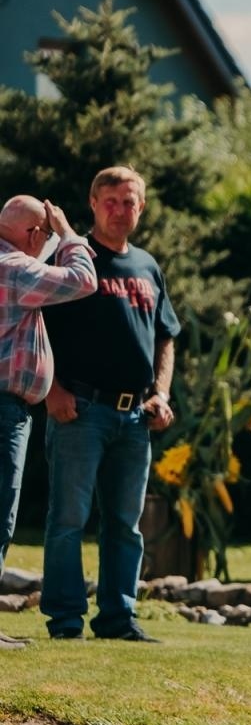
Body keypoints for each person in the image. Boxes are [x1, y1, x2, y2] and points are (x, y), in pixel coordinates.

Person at [41, 166, 181, 643]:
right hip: (80, 409)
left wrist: (161, 393)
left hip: (135, 417)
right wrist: (52, 389)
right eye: (111, 201)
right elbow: (35, 323)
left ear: (141, 208)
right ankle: (64, 622)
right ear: (93, 204)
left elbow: (166, 337)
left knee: (125, 525)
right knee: (69, 520)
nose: (120, 210)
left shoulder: (147, 266)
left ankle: (118, 619)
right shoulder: (71, 257)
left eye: (130, 202)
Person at [0, 196, 99, 649]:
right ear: (34, 234)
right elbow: (83, 280)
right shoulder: (17, 270)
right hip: (6, 410)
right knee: (0, 514)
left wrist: (48, 237)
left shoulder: (12, 263)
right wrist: (71, 234)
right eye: (44, 233)